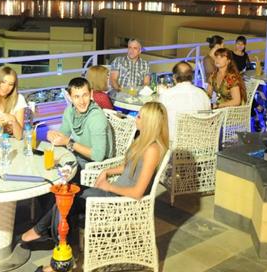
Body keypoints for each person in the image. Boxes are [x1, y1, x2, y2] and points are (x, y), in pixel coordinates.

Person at [33, 101, 170, 272]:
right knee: (67, 193)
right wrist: (107, 171)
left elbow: (137, 192)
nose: (136, 118)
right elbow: (127, 166)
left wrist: (108, 186)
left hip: (121, 203)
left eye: (140, 116)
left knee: (67, 198)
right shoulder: (142, 141)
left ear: (150, 123)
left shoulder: (152, 150)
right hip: (114, 194)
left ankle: (55, 254)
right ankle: (63, 254)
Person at [21, 77, 114, 243]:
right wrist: (53, 136)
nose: (82, 101)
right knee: (47, 178)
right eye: (77, 96)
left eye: (85, 95)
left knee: (61, 188)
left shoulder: (96, 118)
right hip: (76, 160)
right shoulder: (70, 112)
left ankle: (40, 230)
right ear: (70, 97)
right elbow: (63, 135)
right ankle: (51, 228)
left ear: (91, 94)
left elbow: (98, 156)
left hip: (94, 168)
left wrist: (69, 142)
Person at [158, 62, 211, 136]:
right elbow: (208, 115)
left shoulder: (166, 95)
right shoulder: (202, 94)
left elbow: (159, 118)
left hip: (174, 139)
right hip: (200, 138)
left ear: (174, 77)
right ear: (192, 77)